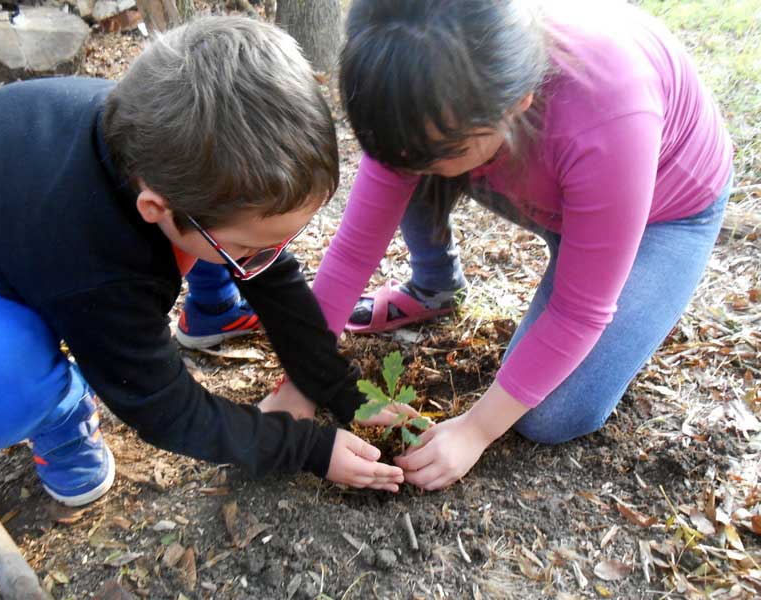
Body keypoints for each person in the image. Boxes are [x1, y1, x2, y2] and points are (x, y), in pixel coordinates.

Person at [261, 0, 734, 490]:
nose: (404, 167)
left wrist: (475, 430)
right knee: (419, 164)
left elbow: (580, 312)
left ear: (519, 101)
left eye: (430, 154)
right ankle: (435, 287)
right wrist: (301, 381)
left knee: (552, 414)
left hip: (666, 209)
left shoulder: (607, 111)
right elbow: (354, 251)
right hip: (528, 167)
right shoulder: (413, 85)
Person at [0, 16, 406, 507]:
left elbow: (269, 272)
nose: (269, 258)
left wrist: (343, 392)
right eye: (251, 248)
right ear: (155, 208)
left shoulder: (174, 146)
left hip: (31, 201)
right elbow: (162, 408)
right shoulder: (103, 272)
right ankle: (59, 412)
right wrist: (307, 448)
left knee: (218, 240)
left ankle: (211, 308)